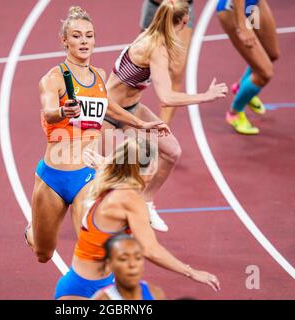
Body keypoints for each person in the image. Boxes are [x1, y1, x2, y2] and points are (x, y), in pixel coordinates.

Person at [27, 6, 170, 264]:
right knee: (43, 253)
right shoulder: (54, 78)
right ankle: (32, 230)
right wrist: (62, 110)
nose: (84, 41)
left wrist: (141, 124)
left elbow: (108, 106)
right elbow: (48, 112)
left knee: (92, 247)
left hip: (87, 175)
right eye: (77, 36)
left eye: (89, 35)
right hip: (53, 176)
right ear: (64, 41)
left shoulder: (100, 76)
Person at [104, 0, 228, 232]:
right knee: (110, 172)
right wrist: (205, 96)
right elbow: (167, 98)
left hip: (132, 108)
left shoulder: (154, 34)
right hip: (108, 112)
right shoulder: (156, 48)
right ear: (183, 22)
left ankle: (146, 201)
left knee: (172, 151)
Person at [54, 137, 220, 300]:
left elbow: (116, 167)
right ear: (149, 167)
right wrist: (192, 273)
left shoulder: (114, 184)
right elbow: (150, 250)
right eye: (156, 161)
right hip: (83, 291)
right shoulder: (129, 199)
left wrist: (105, 163)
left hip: (91, 284)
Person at [217, 0, 280, 134]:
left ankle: (241, 87)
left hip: (253, 5)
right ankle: (235, 113)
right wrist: (242, 25)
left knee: (271, 54)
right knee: (264, 73)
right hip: (232, 11)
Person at [140, 0, 195, 125]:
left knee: (176, 69)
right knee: (141, 63)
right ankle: (128, 114)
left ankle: (162, 131)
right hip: (155, 6)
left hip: (181, 8)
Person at [92, 233, 166, 300]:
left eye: (138, 258)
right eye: (123, 259)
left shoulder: (156, 294)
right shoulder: (102, 299)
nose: (132, 264)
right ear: (109, 264)